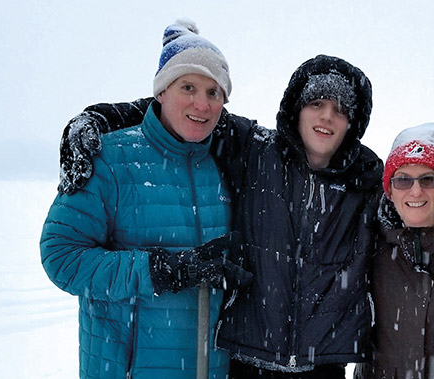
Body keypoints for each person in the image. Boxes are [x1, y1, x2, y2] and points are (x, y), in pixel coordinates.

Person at [55, 54, 381, 378]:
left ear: (354, 123)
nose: (327, 117)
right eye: (317, 104)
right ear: (296, 108)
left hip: (323, 368)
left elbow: (415, 206)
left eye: (340, 111)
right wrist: (98, 118)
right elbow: (184, 110)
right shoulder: (254, 150)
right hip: (245, 363)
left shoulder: (367, 181)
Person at [41, 19, 250, 378]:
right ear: (161, 92)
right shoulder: (108, 157)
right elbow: (61, 255)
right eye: (188, 87)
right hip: (125, 368)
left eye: (214, 92)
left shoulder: (228, 162)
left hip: (207, 369)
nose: (201, 104)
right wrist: (158, 271)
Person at [354, 123, 434, 379]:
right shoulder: (369, 239)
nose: (415, 191)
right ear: (389, 191)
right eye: (402, 179)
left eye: (429, 179)